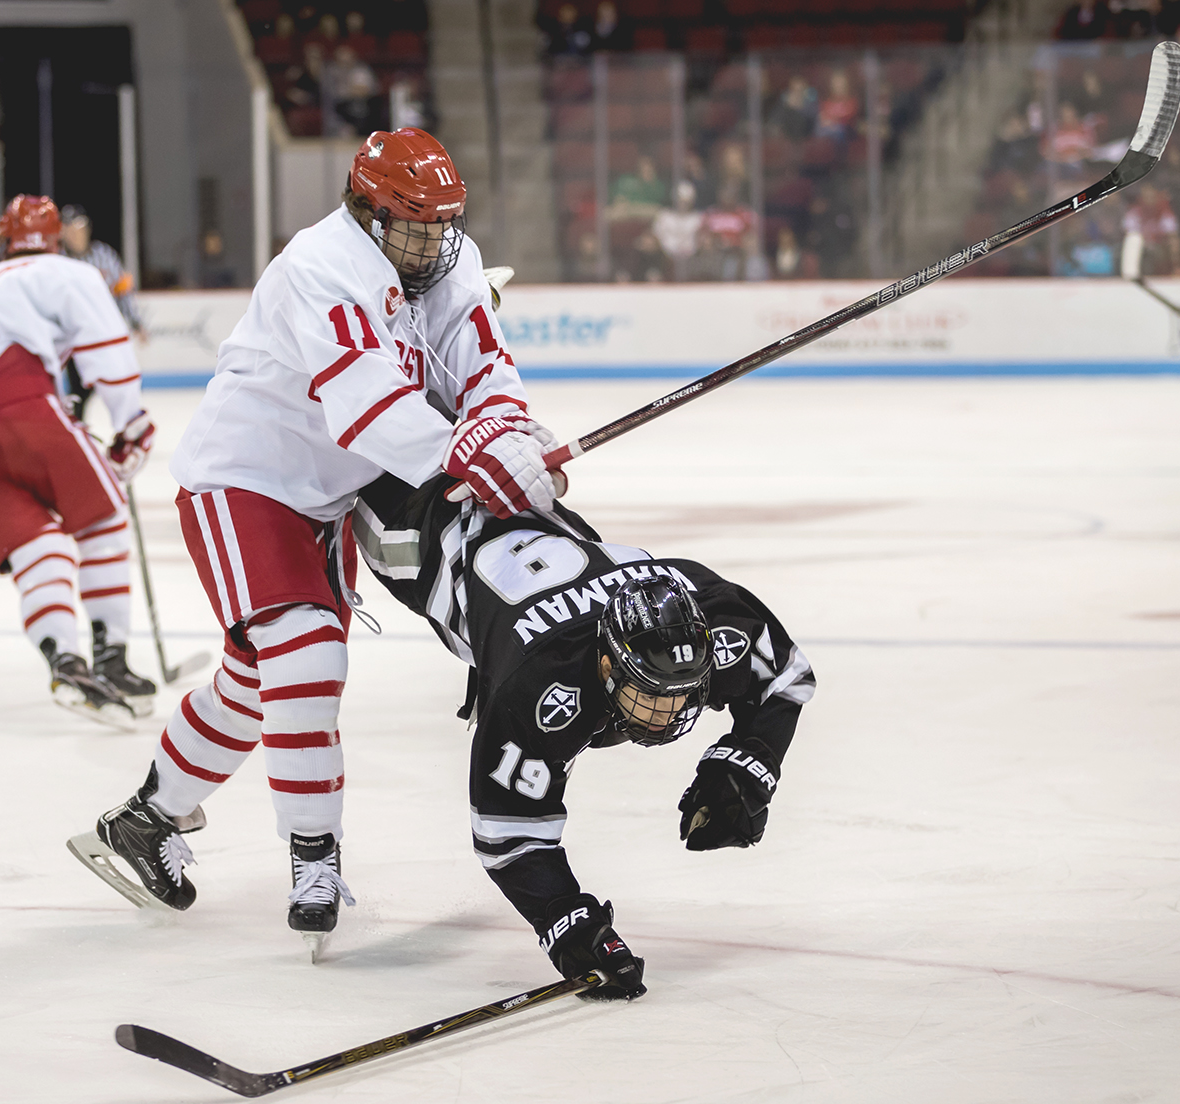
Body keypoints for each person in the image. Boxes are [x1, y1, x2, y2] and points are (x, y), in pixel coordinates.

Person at [66, 127, 562, 956]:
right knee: (304, 660)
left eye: (446, 224)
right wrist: (466, 454)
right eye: (417, 226)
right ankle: (314, 857)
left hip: (324, 499)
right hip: (247, 478)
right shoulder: (319, 267)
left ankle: (144, 820)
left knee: (257, 683)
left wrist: (505, 424)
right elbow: (367, 408)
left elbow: (478, 363)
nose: (435, 242)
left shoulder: (445, 258)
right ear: (368, 213)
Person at [348, 472, 815, 998]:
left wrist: (747, 760)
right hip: (415, 534)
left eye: (685, 692)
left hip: (523, 516)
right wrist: (568, 923)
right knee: (337, 504)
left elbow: (784, 676)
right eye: (652, 692)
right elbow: (508, 834)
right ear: (607, 663)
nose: (670, 711)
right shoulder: (539, 689)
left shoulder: (709, 608)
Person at [0, 195, 159, 728]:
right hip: (21, 403)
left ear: (1, 243)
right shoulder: (65, 271)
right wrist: (132, 423)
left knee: (39, 545)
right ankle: (112, 661)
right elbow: (106, 342)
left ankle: (65, 663)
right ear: (52, 241)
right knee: (102, 518)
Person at [59, 205, 143, 333]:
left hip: (107, 329)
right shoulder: (58, 261)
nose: (73, 235)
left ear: (87, 229)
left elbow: (123, 291)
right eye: (68, 230)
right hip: (72, 332)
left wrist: (135, 322)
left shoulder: (104, 255)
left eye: (77, 229)